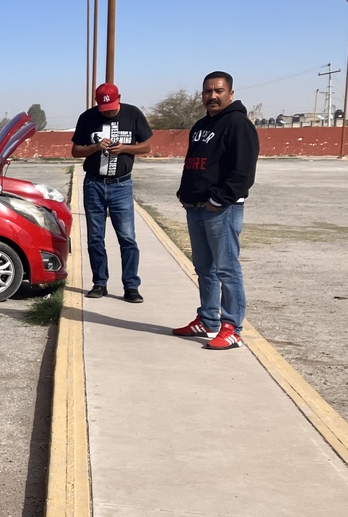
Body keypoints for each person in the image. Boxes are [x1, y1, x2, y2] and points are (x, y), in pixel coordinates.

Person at [172, 71, 259, 350]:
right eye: (208, 91)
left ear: (230, 93)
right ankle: (208, 319)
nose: (212, 96)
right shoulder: (200, 126)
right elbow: (195, 164)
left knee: (227, 269)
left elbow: (243, 173)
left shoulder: (239, 124)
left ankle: (232, 326)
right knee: (203, 268)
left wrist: (219, 200)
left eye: (218, 91)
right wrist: (185, 195)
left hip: (222, 210)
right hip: (195, 208)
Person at [70, 82, 153, 302]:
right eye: (105, 110)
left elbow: (146, 146)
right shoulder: (87, 118)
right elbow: (75, 151)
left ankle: (131, 286)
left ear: (120, 99)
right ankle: (99, 283)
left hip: (121, 186)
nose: (109, 113)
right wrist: (95, 148)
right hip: (94, 185)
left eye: (113, 109)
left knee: (127, 238)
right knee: (95, 238)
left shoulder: (133, 114)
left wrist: (124, 148)